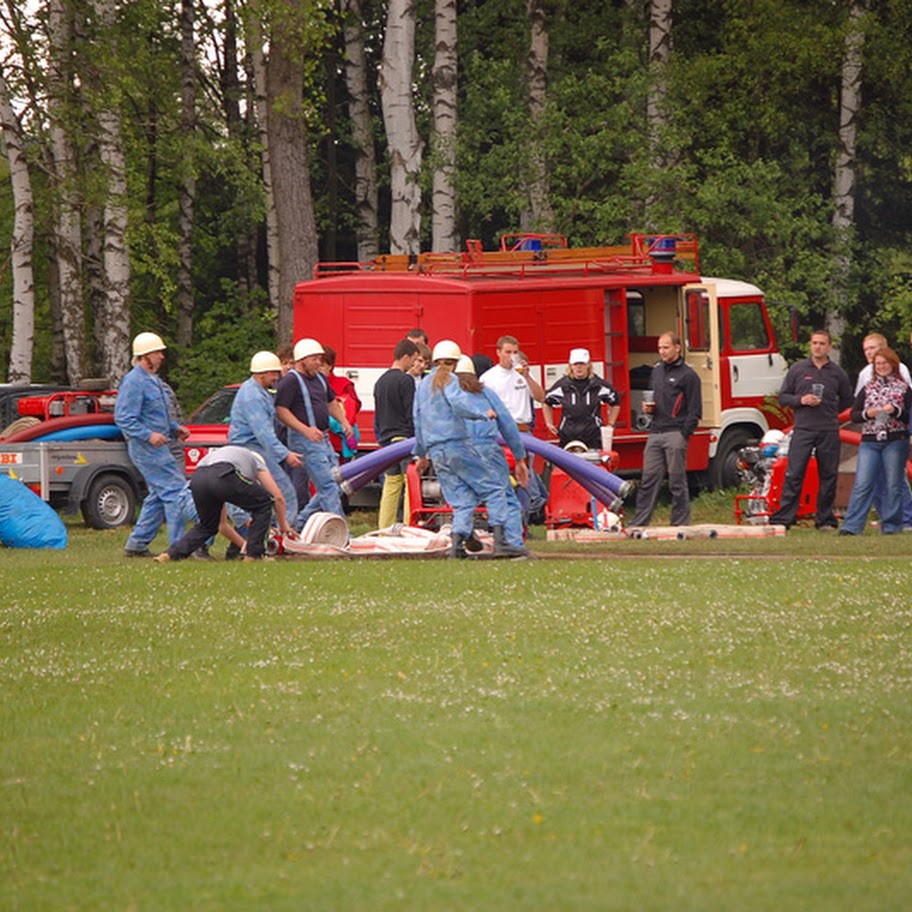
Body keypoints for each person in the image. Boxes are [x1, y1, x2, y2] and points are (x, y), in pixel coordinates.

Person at [413, 340, 524, 558]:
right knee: (495, 490)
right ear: (456, 363)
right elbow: (459, 404)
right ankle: (503, 542)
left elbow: (418, 420)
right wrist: (484, 414)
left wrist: (421, 454)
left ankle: (456, 546)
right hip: (459, 445)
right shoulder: (453, 381)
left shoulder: (423, 386)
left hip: (436, 452)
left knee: (460, 499)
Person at [114, 332, 197, 557]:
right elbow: (123, 418)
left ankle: (137, 544)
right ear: (144, 356)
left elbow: (156, 414)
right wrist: (148, 435)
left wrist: (174, 428)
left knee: (158, 495)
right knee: (176, 492)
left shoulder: (153, 380)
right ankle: (179, 547)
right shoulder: (134, 381)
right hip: (146, 448)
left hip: (158, 446)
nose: (162, 356)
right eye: (157, 352)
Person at [769, 329, 854, 530]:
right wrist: (801, 400)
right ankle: (785, 517)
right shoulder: (798, 369)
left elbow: (848, 401)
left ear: (829, 347)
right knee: (794, 472)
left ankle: (825, 518)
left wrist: (830, 409)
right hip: (803, 428)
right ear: (810, 345)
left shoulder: (837, 372)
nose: (818, 347)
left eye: (822, 343)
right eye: (815, 343)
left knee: (828, 474)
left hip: (827, 428)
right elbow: (783, 398)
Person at [154, 445, 295, 563]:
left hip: (198, 478)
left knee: (207, 526)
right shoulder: (256, 461)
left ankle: (169, 555)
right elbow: (277, 497)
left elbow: (222, 526)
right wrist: (283, 525)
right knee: (264, 504)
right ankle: (254, 556)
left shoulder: (230, 455)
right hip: (224, 474)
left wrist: (243, 544)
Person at [275, 337, 353, 529]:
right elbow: (281, 410)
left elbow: (330, 402)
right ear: (302, 360)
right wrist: (305, 430)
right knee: (327, 486)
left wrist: (343, 421)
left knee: (336, 485)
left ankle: (299, 524)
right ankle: (342, 534)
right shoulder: (291, 381)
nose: (319, 363)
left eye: (320, 359)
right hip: (304, 440)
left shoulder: (319, 379)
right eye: (315, 359)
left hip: (323, 438)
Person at [455, 355, 529, 557]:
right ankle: (511, 545)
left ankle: (458, 545)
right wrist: (520, 458)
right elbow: (506, 423)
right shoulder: (485, 393)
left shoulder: (446, 395)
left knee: (463, 499)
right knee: (505, 496)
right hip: (487, 449)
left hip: (457, 452)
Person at [629, 332, 702, 527]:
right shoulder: (657, 371)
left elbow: (696, 410)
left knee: (676, 481)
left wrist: (683, 434)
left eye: (666, 347)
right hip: (655, 431)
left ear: (677, 348)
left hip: (675, 433)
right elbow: (651, 397)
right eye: (660, 348)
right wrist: (647, 408)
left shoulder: (688, 375)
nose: (662, 351)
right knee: (648, 481)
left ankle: (680, 523)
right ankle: (639, 522)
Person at [839, 347, 912, 535]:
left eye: (884, 363)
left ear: (892, 365)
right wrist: (867, 414)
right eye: (878, 364)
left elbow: (908, 417)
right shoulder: (868, 387)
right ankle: (852, 526)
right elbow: (854, 415)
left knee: (893, 484)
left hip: (895, 440)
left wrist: (895, 411)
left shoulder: (903, 388)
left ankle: (892, 525)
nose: (881, 367)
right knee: (863, 483)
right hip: (870, 440)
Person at [228, 350, 302, 530]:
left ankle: (254, 535)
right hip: (252, 450)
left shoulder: (259, 392)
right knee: (284, 493)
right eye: (274, 373)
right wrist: (285, 455)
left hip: (250, 449)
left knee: (248, 497)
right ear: (262, 374)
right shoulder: (253, 397)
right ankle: (279, 534)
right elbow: (264, 434)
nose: (277, 377)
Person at [374, 338, 420, 529]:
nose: (415, 363)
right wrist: (415, 437)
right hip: (403, 439)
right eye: (414, 359)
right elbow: (410, 412)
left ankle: (384, 527)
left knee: (391, 485)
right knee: (409, 485)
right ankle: (410, 525)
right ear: (406, 357)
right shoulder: (406, 380)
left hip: (386, 439)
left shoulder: (381, 381)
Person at [543, 347, 621, 449]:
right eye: (575, 364)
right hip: (568, 438)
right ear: (570, 366)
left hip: (593, 438)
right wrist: (549, 423)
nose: (579, 367)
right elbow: (547, 402)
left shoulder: (599, 385)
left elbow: (615, 402)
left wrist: (610, 424)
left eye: (582, 364)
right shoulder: (562, 386)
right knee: (567, 465)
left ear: (589, 364)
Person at [479, 335, 545, 432]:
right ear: (498, 352)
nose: (512, 356)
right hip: (502, 429)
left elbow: (541, 398)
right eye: (508, 352)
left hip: (524, 428)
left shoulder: (523, 373)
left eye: (515, 352)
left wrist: (527, 377)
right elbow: (484, 407)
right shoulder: (488, 377)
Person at [320, 345, 362, 461]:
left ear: (330, 366)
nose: (319, 368)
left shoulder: (344, 384)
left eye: (322, 365)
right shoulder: (307, 384)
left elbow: (355, 407)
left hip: (338, 441)